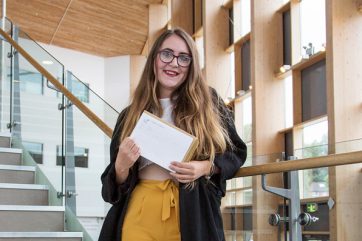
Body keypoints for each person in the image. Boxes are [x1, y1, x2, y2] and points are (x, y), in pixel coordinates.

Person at [99, 28, 247, 241]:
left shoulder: (208, 103)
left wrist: (205, 167)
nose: (174, 63)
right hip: (139, 210)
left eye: (184, 58)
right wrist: (121, 165)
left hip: (191, 211)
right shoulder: (130, 115)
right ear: (154, 59)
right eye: (167, 54)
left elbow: (236, 153)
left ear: (191, 65)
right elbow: (110, 191)